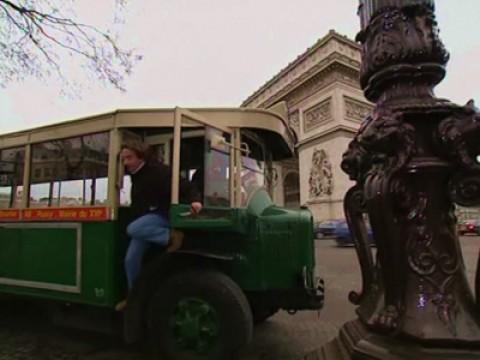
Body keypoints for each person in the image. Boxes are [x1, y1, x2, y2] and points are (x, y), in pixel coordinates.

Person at [116, 142, 202, 310]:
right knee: (130, 260)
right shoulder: (136, 175)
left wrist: (195, 201)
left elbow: (186, 185)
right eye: (123, 159)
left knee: (132, 229)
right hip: (147, 221)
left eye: (129, 158)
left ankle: (172, 236)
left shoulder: (158, 171)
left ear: (141, 157)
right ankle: (134, 297)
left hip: (163, 216)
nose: (126, 163)